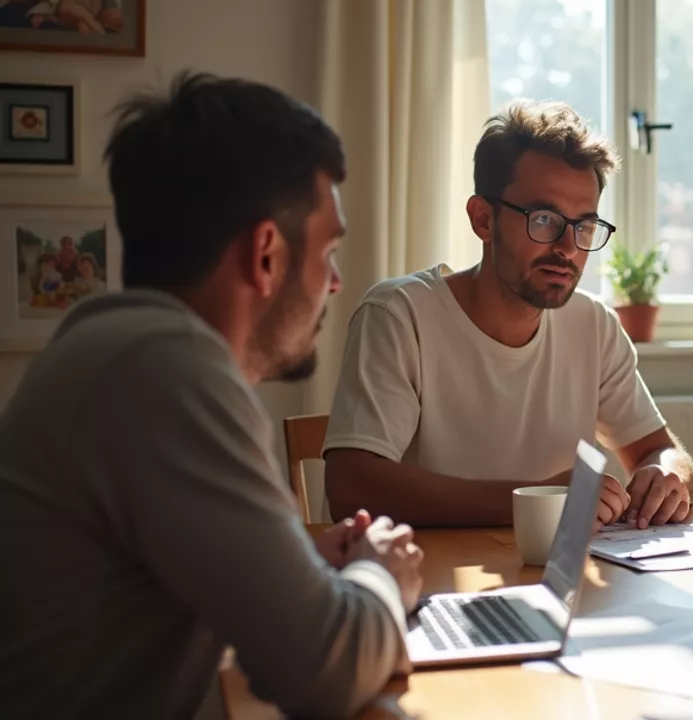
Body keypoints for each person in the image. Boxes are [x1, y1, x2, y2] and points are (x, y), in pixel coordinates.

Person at [0, 72, 422, 717]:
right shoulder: (164, 369)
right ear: (265, 254)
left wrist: (298, 560)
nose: (335, 283)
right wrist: (381, 576)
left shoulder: (117, 348)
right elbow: (325, 672)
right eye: (328, 251)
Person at [323, 101, 693, 530]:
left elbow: (659, 450)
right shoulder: (400, 315)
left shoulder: (592, 325)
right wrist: (537, 501)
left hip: (553, 586)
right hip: (426, 580)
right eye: (544, 219)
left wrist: (668, 474)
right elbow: (350, 488)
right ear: (483, 219)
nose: (568, 248)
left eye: (585, 226)